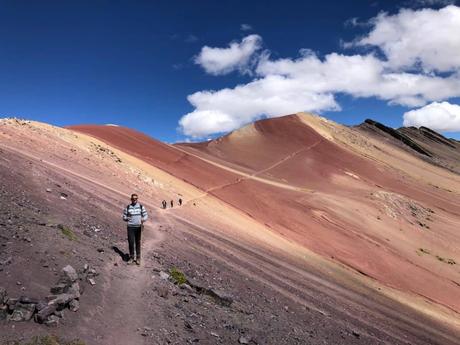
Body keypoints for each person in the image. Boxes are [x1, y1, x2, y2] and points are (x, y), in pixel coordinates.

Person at [122, 193, 148, 265]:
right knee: (131, 242)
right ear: (131, 199)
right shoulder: (128, 207)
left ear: (137, 199)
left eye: (136, 199)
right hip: (130, 227)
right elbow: (124, 217)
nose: (134, 200)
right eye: (133, 199)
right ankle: (131, 257)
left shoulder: (141, 207)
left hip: (138, 227)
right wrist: (127, 218)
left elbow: (146, 215)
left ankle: (138, 258)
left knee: (138, 242)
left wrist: (143, 219)